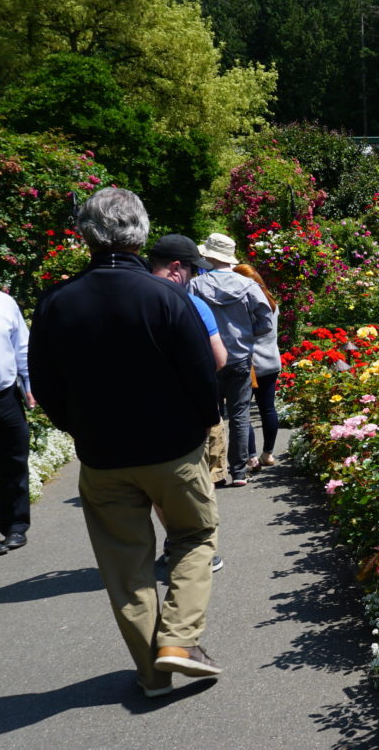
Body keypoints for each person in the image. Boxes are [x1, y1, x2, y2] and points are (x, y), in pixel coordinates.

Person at [29, 188, 223, 697]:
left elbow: (45, 384)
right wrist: (204, 424)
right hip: (173, 449)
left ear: (85, 234)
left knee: (125, 563)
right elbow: (203, 375)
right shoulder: (168, 297)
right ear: (140, 231)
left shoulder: (55, 302)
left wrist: (79, 429)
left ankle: (153, 675)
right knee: (193, 537)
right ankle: (180, 641)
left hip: (102, 455)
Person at [147, 235, 228, 574]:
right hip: (190, 410)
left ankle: (172, 543)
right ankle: (199, 550)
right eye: (194, 269)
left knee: (157, 491)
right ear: (178, 268)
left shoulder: (124, 299)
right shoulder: (191, 304)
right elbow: (219, 358)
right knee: (200, 481)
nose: (195, 277)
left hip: (141, 416)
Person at [189, 233, 273, 487]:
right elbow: (266, 321)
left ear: (209, 256)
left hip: (208, 359)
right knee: (240, 414)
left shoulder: (195, 286)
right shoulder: (247, 285)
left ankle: (215, 472)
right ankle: (239, 472)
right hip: (240, 358)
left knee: (211, 415)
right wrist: (247, 333)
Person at [0, 250, 33, 555]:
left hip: (5, 397)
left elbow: (22, 347)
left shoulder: (3, 303)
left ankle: (15, 526)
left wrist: (30, 384)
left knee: (14, 460)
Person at [232, 263, 282, 467]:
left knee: (243, 411)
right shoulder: (271, 302)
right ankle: (268, 453)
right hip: (271, 360)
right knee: (268, 409)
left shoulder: (247, 303)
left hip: (250, 363)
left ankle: (252, 456)